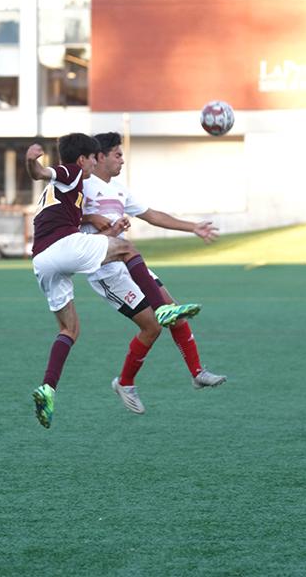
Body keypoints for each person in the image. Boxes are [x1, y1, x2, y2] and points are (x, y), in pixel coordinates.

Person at [26, 133, 202, 428]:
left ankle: (48, 388)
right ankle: (163, 309)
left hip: (41, 260)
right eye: (92, 158)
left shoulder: (69, 189)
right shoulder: (72, 172)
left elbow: (67, 216)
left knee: (69, 329)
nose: (95, 163)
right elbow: (41, 173)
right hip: (64, 247)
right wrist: (32, 161)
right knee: (127, 247)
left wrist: (100, 225)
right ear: (83, 159)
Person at [80, 132, 227, 413]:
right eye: (117, 155)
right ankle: (125, 382)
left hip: (131, 261)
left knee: (173, 311)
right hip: (107, 271)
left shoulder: (120, 190)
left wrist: (192, 227)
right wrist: (91, 219)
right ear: (99, 157)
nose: (122, 160)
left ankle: (197, 373)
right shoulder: (84, 186)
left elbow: (153, 215)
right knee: (152, 326)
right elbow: (66, 215)